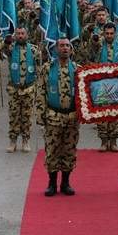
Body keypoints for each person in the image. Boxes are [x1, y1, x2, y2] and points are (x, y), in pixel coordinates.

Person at [36, 38, 80, 197]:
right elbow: (41, 92)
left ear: (71, 49)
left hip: (72, 117)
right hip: (53, 116)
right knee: (52, 150)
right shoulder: (47, 68)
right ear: (56, 49)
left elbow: (84, 93)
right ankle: (52, 183)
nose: (65, 48)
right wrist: (40, 116)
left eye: (68, 46)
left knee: (69, 150)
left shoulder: (77, 69)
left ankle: (66, 182)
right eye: (62, 46)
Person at [90, 22, 118, 152]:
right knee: (102, 114)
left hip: (117, 84)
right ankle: (104, 141)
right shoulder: (99, 46)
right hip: (101, 83)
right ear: (103, 34)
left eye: (111, 33)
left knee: (115, 114)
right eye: (107, 33)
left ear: (115, 34)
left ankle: (114, 141)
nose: (109, 36)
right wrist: (94, 39)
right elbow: (92, 45)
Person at [4, 27, 39, 153]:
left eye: (22, 33)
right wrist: (7, 41)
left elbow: (39, 67)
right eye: (18, 33)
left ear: (27, 34)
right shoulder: (11, 48)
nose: (20, 36)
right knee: (14, 116)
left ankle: (25, 140)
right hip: (14, 88)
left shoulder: (34, 50)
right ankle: (13, 141)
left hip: (28, 88)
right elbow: (4, 50)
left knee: (27, 116)